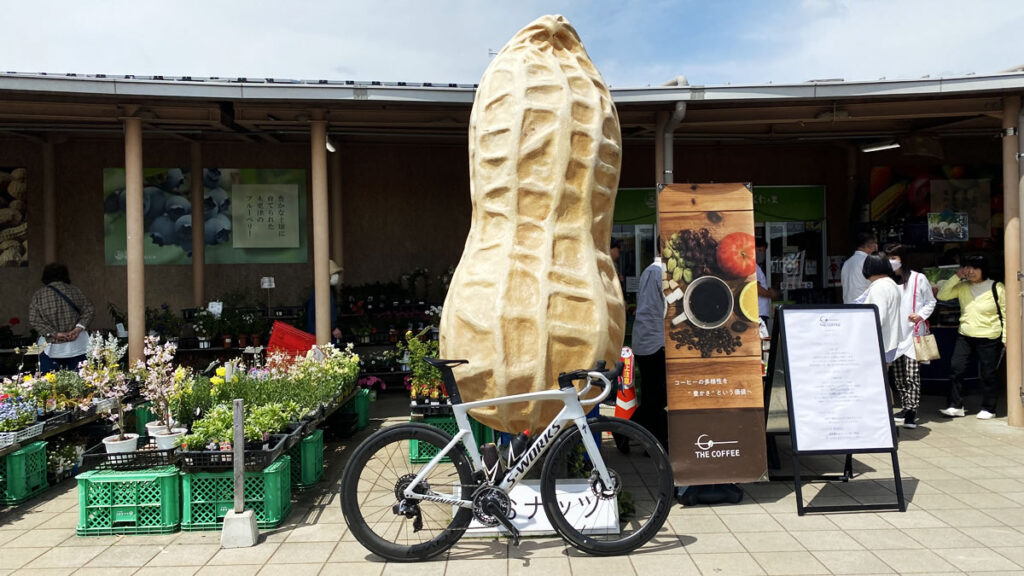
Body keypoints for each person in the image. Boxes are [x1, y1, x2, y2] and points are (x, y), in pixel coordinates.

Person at [936, 255, 1006, 419]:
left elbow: (1006, 313)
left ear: (984, 269)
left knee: (988, 373)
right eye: (968, 268)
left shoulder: (996, 287)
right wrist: (957, 276)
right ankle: (955, 405)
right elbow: (942, 295)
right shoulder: (962, 286)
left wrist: (1006, 337)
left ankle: (989, 408)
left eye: (975, 268)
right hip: (965, 334)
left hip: (990, 335)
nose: (971, 272)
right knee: (956, 368)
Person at [886, 244, 936, 429]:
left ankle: (912, 411)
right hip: (895, 335)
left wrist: (921, 315)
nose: (891, 261)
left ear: (903, 258)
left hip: (913, 333)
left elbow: (931, 301)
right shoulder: (888, 281)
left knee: (912, 374)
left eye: (894, 257)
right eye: (889, 257)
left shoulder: (918, 278)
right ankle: (906, 407)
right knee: (898, 375)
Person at [630, 241, 667, 449]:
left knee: (654, 395)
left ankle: (648, 442)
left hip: (646, 340)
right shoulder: (660, 273)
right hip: (656, 341)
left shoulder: (648, 271)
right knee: (658, 396)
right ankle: (627, 431)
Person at [28, 263, 94, 373]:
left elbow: (34, 319)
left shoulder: (39, 295)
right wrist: (78, 329)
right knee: (80, 385)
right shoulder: (75, 291)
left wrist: (55, 334)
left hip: (49, 348)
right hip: (77, 346)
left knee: (50, 385)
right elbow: (89, 310)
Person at [861, 252, 903, 365]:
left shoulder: (878, 287)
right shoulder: (891, 284)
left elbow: (878, 317)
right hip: (889, 343)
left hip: (878, 345)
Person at [305, 259, 343, 341]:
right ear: (328, 276)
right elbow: (328, 311)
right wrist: (333, 328)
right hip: (321, 334)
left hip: (315, 332)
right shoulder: (325, 292)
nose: (336, 276)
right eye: (334, 274)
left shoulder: (319, 290)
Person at [841, 232, 878, 303]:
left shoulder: (847, 263)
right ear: (868, 245)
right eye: (875, 243)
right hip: (864, 306)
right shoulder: (869, 261)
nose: (876, 246)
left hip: (848, 306)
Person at [754, 237, 778, 324]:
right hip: (758, 313)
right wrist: (771, 294)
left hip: (760, 313)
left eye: (763, 251)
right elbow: (755, 288)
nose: (762, 254)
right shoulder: (753, 267)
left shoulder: (756, 266)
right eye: (759, 250)